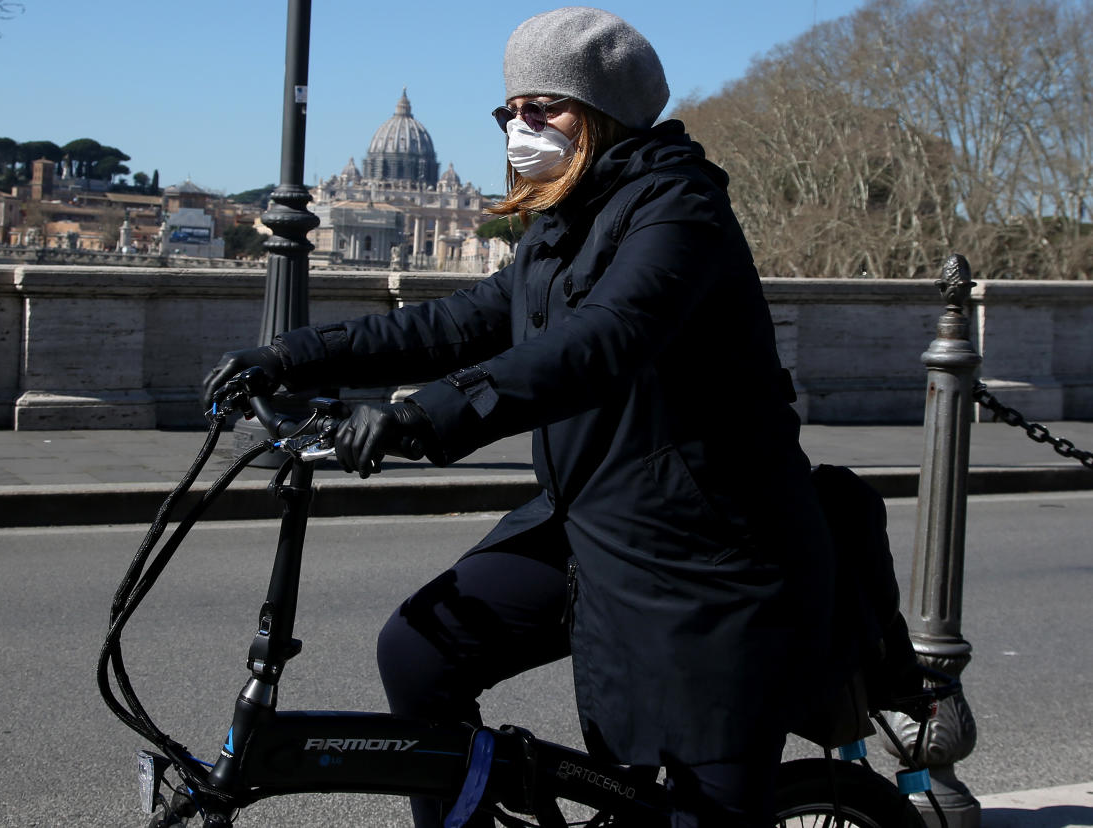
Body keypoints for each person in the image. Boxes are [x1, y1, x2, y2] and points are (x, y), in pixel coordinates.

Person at [202, 8, 835, 827]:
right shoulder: (560, 225)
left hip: (707, 550)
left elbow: (603, 340)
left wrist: (417, 420)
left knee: (691, 806)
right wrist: (294, 356)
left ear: (601, 111)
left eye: (545, 108)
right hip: (591, 517)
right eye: (512, 110)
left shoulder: (680, 210)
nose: (520, 126)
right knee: (418, 651)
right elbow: (457, 324)